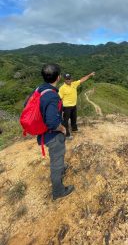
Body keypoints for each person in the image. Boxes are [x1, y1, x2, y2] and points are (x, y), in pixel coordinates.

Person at [38, 64, 74, 200]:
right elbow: (52, 123)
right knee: (56, 162)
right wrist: (63, 129)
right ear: (59, 77)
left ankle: (61, 169)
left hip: (43, 133)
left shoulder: (40, 89)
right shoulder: (52, 96)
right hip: (52, 135)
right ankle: (58, 191)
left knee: (58, 158)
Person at [59, 72, 95, 139]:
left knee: (74, 119)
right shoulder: (62, 88)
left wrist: (89, 75)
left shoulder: (74, 84)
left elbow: (82, 80)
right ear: (64, 80)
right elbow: (59, 98)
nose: (68, 80)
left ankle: (74, 129)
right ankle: (66, 134)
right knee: (65, 121)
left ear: (71, 79)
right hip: (66, 107)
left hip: (74, 106)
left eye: (69, 79)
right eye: (67, 79)